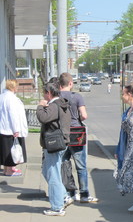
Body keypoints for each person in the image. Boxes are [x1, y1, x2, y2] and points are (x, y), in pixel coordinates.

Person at [59, 72, 99, 203]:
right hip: (76, 132)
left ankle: (69, 193)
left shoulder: (56, 97)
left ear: (60, 84)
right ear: (71, 83)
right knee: (81, 166)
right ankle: (84, 194)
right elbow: (84, 115)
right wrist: (78, 118)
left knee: (64, 164)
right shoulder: (77, 97)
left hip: (61, 134)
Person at [36, 82, 71, 216]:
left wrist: (40, 106)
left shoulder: (54, 105)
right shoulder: (62, 103)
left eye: (44, 93)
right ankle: (63, 196)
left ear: (49, 93)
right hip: (60, 142)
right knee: (47, 171)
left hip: (54, 144)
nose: (44, 95)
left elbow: (43, 117)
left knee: (53, 175)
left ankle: (57, 207)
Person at [0, 80, 28, 176]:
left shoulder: (2, 96)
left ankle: (6, 169)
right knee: (11, 150)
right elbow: (13, 115)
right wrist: (16, 129)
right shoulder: (11, 98)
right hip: (10, 129)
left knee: (5, 149)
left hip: (3, 128)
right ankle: (9, 171)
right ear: (14, 87)